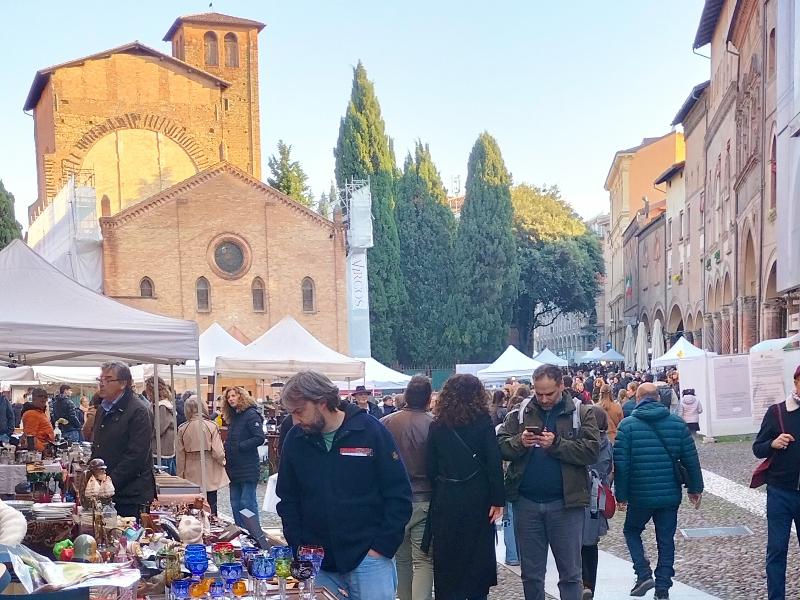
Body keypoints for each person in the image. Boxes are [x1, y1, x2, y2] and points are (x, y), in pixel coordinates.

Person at [277, 370, 412, 600]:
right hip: (317, 561)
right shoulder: (295, 439)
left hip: (369, 558)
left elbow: (399, 493)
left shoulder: (370, 431)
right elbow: (288, 498)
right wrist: (298, 547)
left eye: (299, 411)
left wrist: (382, 546)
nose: (295, 420)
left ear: (322, 402)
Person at [498, 364, 600, 600]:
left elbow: (592, 451)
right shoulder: (520, 412)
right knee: (531, 575)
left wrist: (557, 445)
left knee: (571, 574)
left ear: (561, 386)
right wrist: (519, 442)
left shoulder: (581, 412)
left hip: (566, 504)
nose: (543, 399)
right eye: (539, 393)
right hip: (526, 503)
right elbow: (500, 445)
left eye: (549, 393)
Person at [613, 382, 704, 599]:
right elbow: (691, 460)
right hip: (669, 494)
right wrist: (695, 488)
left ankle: (643, 572)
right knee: (665, 540)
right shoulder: (677, 424)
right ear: (659, 398)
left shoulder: (627, 426)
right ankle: (662, 589)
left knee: (631, 531)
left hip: (639, 494)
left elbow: (621, 465)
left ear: (637, 399)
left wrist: (621, 496)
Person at [426, 374, 504, 600]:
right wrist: (497, 499)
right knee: (477, 558)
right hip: (478, 497)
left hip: (447, 496)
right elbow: (494, 462)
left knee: (448, 560)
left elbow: (430, 466)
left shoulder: (437, 425)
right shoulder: (483, 423)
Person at [381, 375, 435, 600]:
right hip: (425, 498)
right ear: (428, 398)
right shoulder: (434, 424)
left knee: (401, 559)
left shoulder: (386, 423)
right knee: (423, 560)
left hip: (394, 499)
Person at [752, 364, 800, 600]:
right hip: (780, 492)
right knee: (777, 548)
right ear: (796, 382)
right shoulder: (777, 412)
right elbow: (757, 448)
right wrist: (772, 443)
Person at [91, 362, 156, 518]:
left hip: (131, 495)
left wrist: (109, 483)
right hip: (107, 491)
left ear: (123, 383)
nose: (102, 384)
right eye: (100, 379)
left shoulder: (139, 411)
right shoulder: (103, 409)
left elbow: (136, 456)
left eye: (108, 379)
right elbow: (98, 446)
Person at [176, 395, 229, 515]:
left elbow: (180, 456)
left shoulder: (182, 429)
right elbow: (218, 452)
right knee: (211, 502)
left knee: (193, 504)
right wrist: (223, 462)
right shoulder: (211, 426)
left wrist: (180, 476)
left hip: (190, 470)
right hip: (209, 468)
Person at [222, 386, 265, 529]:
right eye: (228, 397)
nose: (231, 399)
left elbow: (259, 437)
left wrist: (240, 446)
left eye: (233, 396)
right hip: (234, 467)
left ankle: (253, 531)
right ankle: (240, 531)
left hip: (247, 467)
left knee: (247, 503)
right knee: (235, 502)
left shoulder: (251, 414)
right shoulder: (234, 417)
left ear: (241, 396)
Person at [581, 406, 613, 600]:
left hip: (579, 495)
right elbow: (609, 471)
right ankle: (589, 584)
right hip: (598, 500)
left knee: (575, 542)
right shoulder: (607, 445)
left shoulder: (581, 443)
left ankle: (582, 582)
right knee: (591, 544)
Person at [146, 377, 177, 475]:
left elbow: (158, 428)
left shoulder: (162, 406)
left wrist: (145, 433)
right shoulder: (157, 404)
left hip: (161, 450)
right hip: (160, 448)